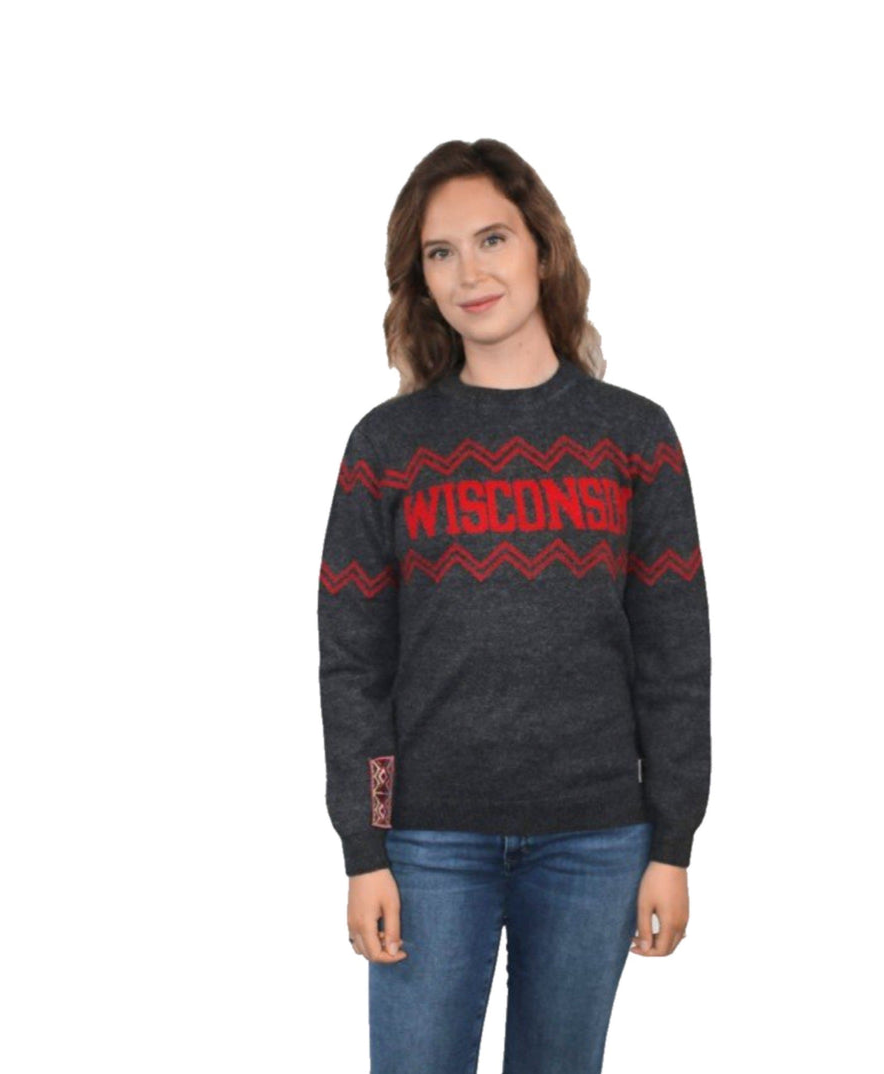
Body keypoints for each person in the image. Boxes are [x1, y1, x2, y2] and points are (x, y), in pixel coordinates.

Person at [316, 138, 711, 1074]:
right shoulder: (387, 447)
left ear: (542, 247)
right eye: (440, 253)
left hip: (597, 842)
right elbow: (353, 663)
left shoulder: (634, 438)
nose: (470, 273)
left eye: (492, 239)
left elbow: (675, 657)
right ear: (419, 281)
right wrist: (366, 848)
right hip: (426, 842)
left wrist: (673, 841)